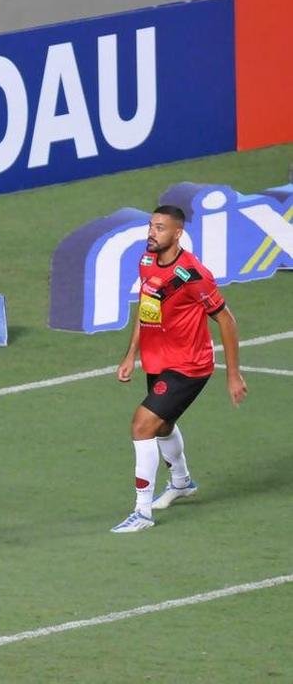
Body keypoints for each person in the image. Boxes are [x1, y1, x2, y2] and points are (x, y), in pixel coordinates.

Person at [111, 205, 248, 533]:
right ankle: (182, 483)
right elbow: (148, 308)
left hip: (189, 366)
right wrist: (131, 354)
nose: (151, 233)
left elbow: (226, 319)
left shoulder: (193, 275)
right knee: (162, 426)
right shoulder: (146, 261)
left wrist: (232, 374)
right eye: (150, 226)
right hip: (158, 360)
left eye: (159, 228)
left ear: (177, 233)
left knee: (142, 426)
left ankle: (142, 513)